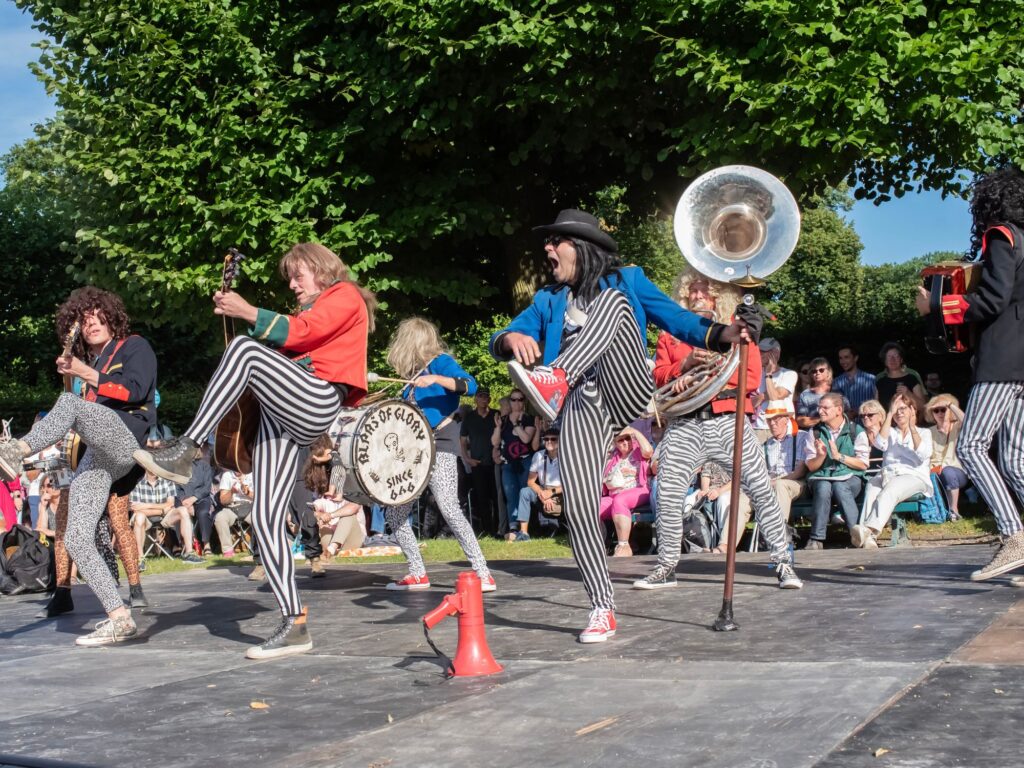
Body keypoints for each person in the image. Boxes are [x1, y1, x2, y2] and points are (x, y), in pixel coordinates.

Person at [491, 209, 754, 642]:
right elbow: (506, 334)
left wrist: (725, 333)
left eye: (556, 241)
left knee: (611, 305)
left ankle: (554, 378)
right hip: (582, 402)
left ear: (581, 247)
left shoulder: (626, 282)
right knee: (577, 508)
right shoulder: (549, 299)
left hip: (625, 383)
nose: (547, 248)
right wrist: (509, 339)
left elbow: (678, 319)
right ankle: (602, 607)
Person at [132, 242, 374, 659]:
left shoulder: (344, 295)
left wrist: (246, 313)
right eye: (291, 278)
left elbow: (301, 334)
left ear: (322, 270)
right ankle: (293, 622)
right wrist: (243, 322)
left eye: (299, 275)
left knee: (242, 350)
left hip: (318, 398)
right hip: (283, 414)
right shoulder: (306, 311)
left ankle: (188, 447)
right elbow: (276, 353)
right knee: (264, 517)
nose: (293, 284)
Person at [0, 287, 156, 645]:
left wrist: (83, 373)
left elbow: (134, 391)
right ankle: (119, 617)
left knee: (69, 403)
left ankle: (15, 451)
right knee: (75, 536)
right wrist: (79, 374)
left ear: (111, 316)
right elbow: (80, 419)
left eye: (97, 317)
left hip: (127, 436)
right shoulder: (93, 364)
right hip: (98, 453)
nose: (91, 324)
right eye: (84, 321)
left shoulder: (134, 346)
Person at [634, 269, 801, 586]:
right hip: (684, 421)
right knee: (667, 493)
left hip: (727, 420)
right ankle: (667, 566)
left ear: (718, 296)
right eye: (692, 291)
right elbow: (658, 376)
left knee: (761, 490)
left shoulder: (739, 332)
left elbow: (751, 380)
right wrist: (684, 367)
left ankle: (783, 563)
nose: (697, 295)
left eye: (704, 290)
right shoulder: (672, 334)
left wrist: (705, 375)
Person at [916, 166, 1024, 582]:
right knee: (1015, 460)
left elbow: (994, 299)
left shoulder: (1002, 235)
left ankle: (1014, 537)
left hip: (1002, 358)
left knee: (974, 445)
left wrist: (937, 308)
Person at [379, 318, 494, 592]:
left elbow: (471, 385)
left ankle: (483, 573)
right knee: (395, 514)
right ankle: (417, 572)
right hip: (415, 448)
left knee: (449, 506)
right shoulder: (410, 379)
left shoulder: (440, 362)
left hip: (441, 440)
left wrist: (436, 379)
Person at [850, 393, 932, 548]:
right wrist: (889, 414)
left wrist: (912, 428)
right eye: (896, 410)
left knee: (890, 491)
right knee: (872, 487)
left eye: (903, 409)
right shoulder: (891, 432)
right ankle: (868, 539)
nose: (899, 413)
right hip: (887, 474)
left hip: (913, 475)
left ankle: (869, 530)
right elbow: (880, 444)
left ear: (912, 410)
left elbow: (923, 455)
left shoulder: (924, 432)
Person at [802, 392, 870, 549]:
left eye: (825, 408)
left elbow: (863, 464)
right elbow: (811, 467)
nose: (820, 411)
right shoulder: (815, 432)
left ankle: (856, 534)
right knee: (824, 486)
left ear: (839, 410)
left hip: (850, 477)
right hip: (821, 477)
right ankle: (816, 539)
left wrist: (839, 457)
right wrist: (821, 455)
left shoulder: (856, 430)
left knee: (840, 486)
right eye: (819, 407)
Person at [599, 428, 652, 557]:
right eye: (620, 440)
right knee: (593, 505)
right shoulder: (613, 457)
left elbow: (649, 451)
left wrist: (635, 432)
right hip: (614, 494)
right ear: (615, 443)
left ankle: (624, 546)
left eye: (627, 438)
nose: (624, 442)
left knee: (620, 500)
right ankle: (598, 545)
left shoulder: (638, 452)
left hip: (639, 490)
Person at [492, 388, 536, 540]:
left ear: (524, 402)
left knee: (524, 494)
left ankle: (525, 528)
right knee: (510, 495)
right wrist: (498, 427)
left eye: (520, 399)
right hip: (508, 463)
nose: (517, 402)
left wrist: (516, 424)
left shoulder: (528, 419)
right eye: (513, 399)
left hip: (524, 461)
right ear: (510, 402)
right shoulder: (503, 420)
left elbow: (525, 439)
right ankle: (513, 527)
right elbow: (494, 442)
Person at [761, 400, 811, 524]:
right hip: (771, 485)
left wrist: (776, 482)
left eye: (776, 420)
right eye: (769, 420)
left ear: (786, 419)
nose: (772, 423)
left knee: (780, 486)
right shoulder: (765, 445)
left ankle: (779, 532)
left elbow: (800, 471)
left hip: (796, 484)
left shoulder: (801, 437)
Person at [460, 388, 499, 535]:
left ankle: (499, 529)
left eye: (486, 397)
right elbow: (463, 440)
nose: (484, 399)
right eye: (481, 396)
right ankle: (486, 530)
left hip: (495, 463)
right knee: (481, 498)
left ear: (489, 399)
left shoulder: (496, 414)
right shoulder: (469, 418)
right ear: (475, 399)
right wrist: (467, 458)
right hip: (477, 463)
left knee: (497, 497)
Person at [925, 394, 968, 520]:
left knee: (948, 472)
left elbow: (968, 421)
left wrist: (949, 404)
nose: (939, 413)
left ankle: (953, 510)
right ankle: (933, 513)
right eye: (935, 410)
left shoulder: (957, 426)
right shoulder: (928, 432)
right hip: (933, 471)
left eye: (943, 409)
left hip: (957, 471)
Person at [514, 427, 563, 540]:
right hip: (543, 489)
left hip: (560, 491)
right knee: (524, 492)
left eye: (553, 439)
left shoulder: (567, 456)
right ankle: (524, 533)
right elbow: (530, 481)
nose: (549, 442)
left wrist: (551, 492)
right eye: (546, 439)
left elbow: (571, 484)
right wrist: (543, 495)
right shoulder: (538, 455)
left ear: (560, 441)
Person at [750, 338, 797, 443]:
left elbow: (776, 396)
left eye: (763, 351)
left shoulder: (789, 374)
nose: (759, 354)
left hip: (782, 429)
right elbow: (748, 402)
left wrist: (768, 375)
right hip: (756, 428)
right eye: (758, 351)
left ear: (776, 354)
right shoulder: (754, 374)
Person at [796, 358, 848, 429]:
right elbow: (800, 420)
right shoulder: (805, 395)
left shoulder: (837, 391)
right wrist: (824, 420)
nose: (818, 373)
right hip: (815, 434)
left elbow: (849, 413)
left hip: (837, 432)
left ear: (828, 372)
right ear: (811, 374)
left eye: (821, 370)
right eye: (814, 371)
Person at [875, 342, 926, 413]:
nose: (892, 359)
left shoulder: (912, 378)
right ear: (885, 361)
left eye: (896, 356)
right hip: (888, 422)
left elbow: (923, 406)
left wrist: (909, 393)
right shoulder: (880, 382)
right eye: (889, 356)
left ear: (901, 360)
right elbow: (876, 409)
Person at [833, 344, 878, 420]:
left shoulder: (871, 380)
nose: (843, 361)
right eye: (841, 358)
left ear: (855, 358)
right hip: (846, 427)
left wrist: (858, 411)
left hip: (867, 425)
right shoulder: (836, 382)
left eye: (846, 357)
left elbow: (877, 405)